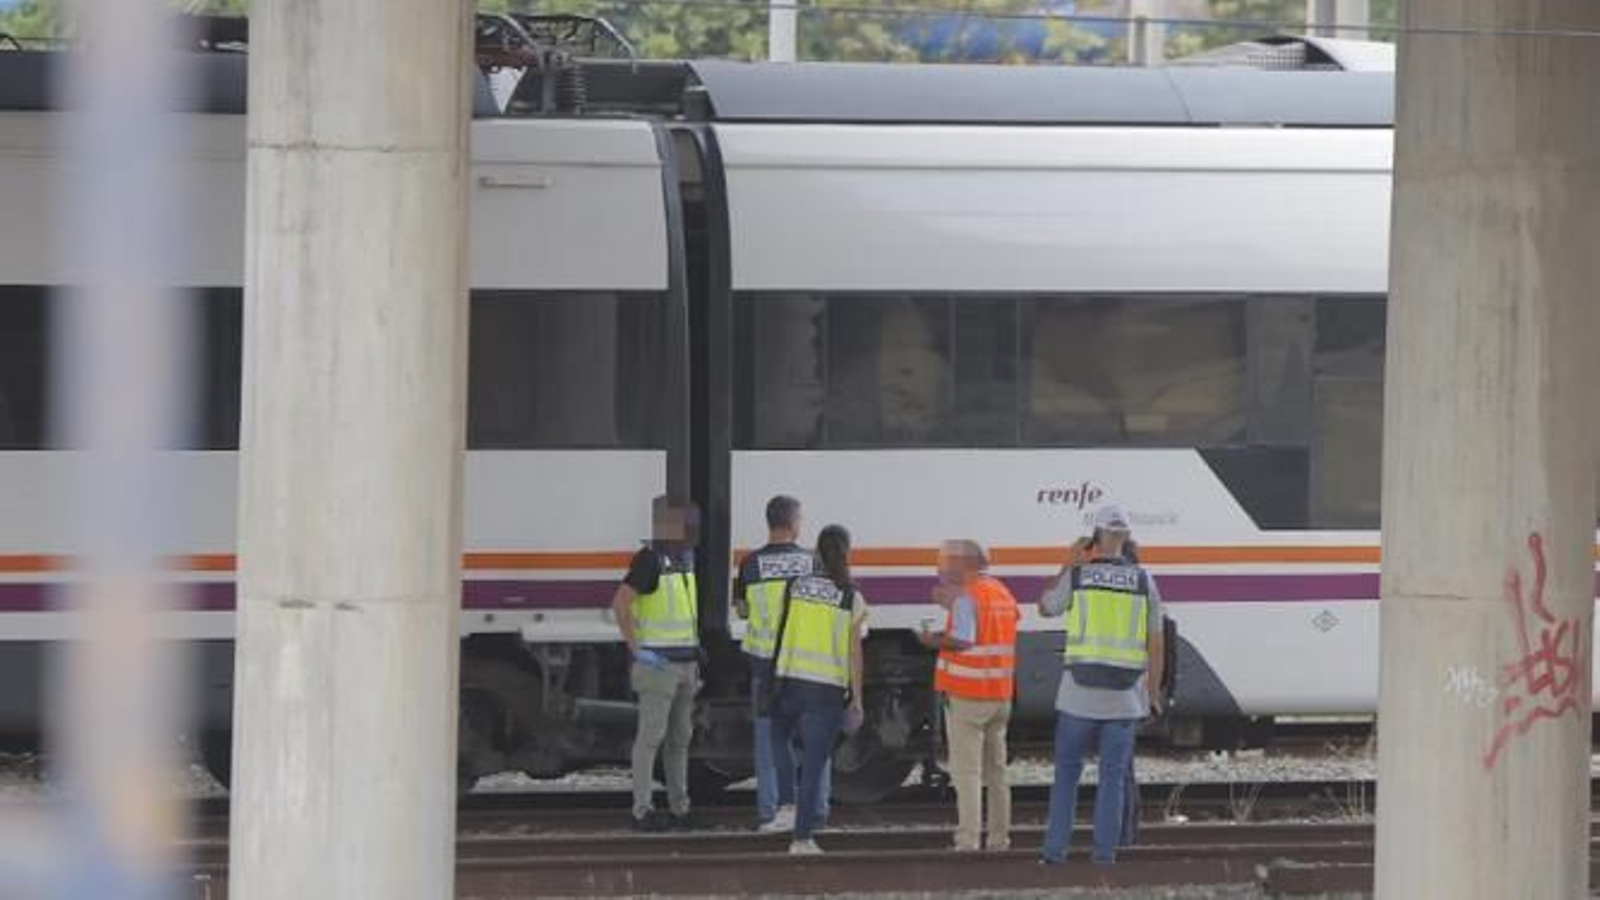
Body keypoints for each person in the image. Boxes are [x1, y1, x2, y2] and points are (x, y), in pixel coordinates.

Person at [1037, 504, 1165, 865]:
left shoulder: (1079, 576)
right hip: (1124, 700)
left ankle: (1054, 854)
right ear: (1125, 537)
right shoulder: (1143, 581)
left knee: (1066, 776)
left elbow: (1046, 607)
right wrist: (1153, 693)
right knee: (1112, 779)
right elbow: (1156, 644)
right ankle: (1104, 857)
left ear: (1096, 536)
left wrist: (1067, 563)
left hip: (1077, 698)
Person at [732, 495, 831, 832]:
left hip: (766, 670)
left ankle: (771, 812)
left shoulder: (750, 564)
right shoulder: (813, 562)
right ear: (793, 523)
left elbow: (742, 610)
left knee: (770, 743)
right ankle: (815, 810)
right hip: (807, 669)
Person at [767, 524, 867, 855]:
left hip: (790, 683)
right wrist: (857, 699)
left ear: (817, 552)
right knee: (813, 766)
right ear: (846, 553)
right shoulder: (851, 597)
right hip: (826, 691)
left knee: (778, 737)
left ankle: (786, 804)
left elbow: (782, 629)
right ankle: (801, 839)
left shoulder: (796, 586)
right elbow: (855, 654)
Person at [918, 539, 1021, 852]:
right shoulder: (1003, 593)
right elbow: (992, 632)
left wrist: (931, 641)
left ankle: (968, 841)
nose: (946, 567)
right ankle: (1000, 839)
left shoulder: (968, 595)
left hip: (969, 694)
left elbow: (963, 639)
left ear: (967, 564)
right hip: (1000, 695)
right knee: (997, 772)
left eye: (951, 561)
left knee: (968, 773)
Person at [612, 495, 702, 832]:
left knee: (680, 739)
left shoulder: (684, 559)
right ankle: (642, 810)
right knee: (651, 738)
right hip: (659, 664)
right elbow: (621, 604)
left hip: (685, 660)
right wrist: (637, 649)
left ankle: (680, 808)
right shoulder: (649, 560)